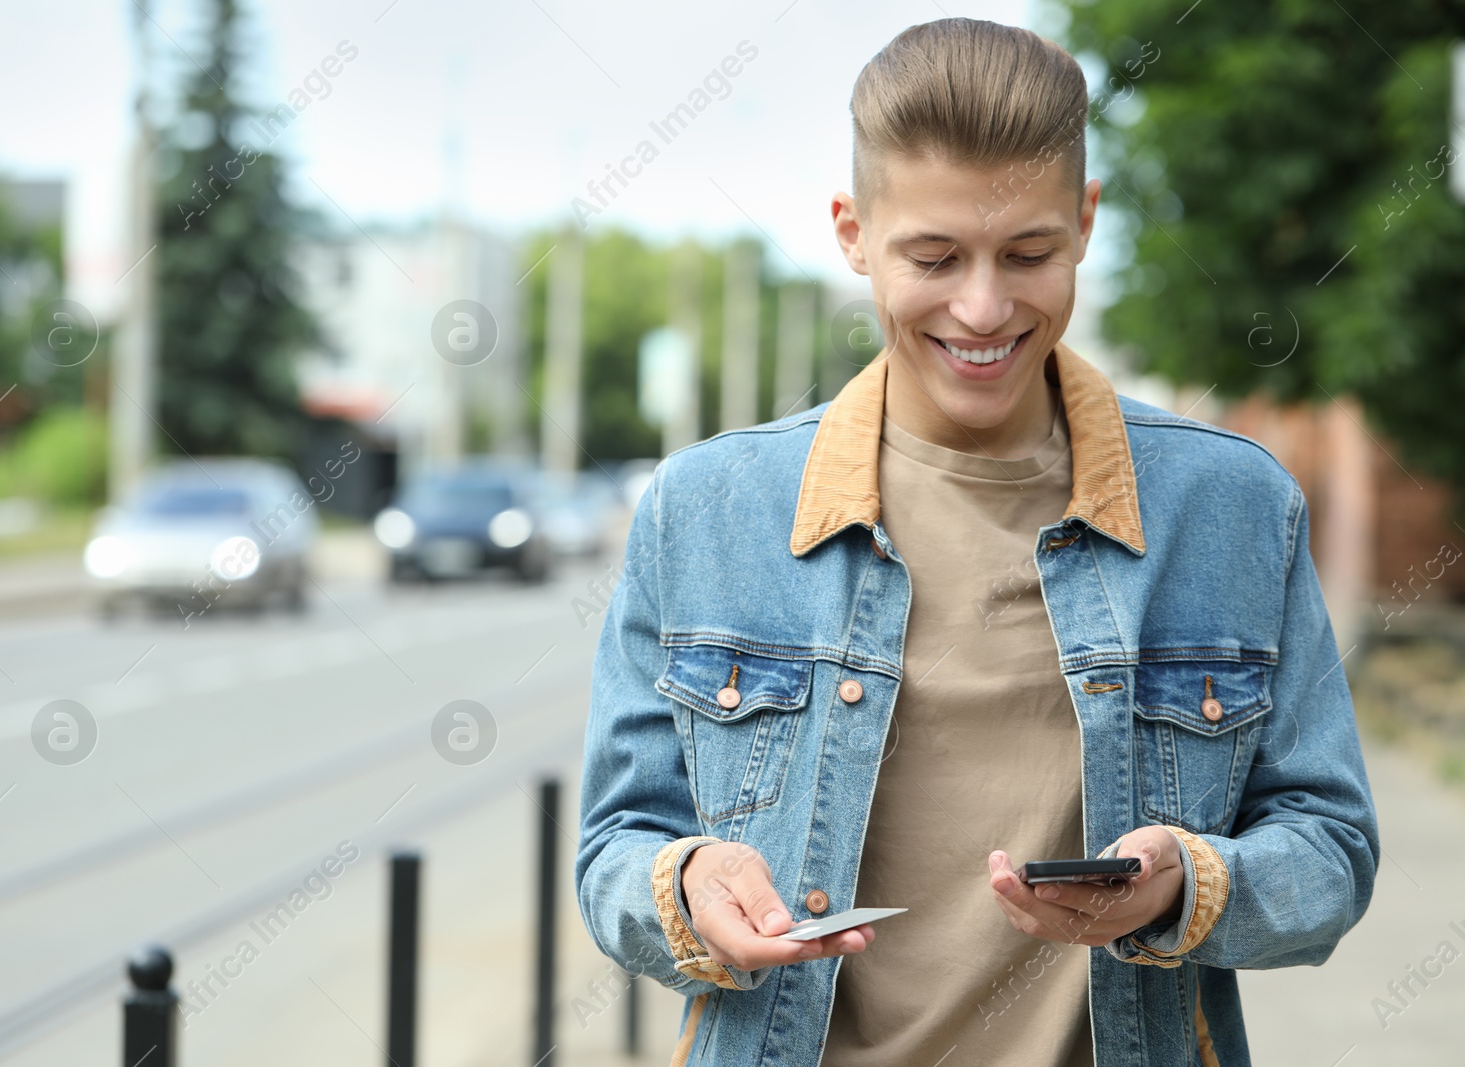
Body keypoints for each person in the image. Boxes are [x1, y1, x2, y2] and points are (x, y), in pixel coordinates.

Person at [575, 18, 1378, 1067]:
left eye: (1029, 253)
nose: (983, 305)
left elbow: (1330, 847)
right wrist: (685, 887)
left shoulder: (1230, 507)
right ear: (852, 232)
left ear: (1085, 222)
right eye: (934, 255)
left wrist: (1185, 879)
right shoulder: (703, 506)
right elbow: (613, 849)